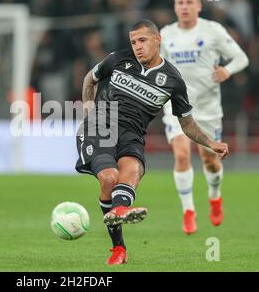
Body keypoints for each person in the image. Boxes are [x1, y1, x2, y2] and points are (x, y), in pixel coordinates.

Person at [75, 19, 229, 265]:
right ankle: (119, 233)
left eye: (142, 40)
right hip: (100, 127)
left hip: (132, 135)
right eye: (133, 41)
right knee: (109, 178)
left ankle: (119, 234)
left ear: (157, 40)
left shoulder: (172, 80)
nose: (137, 46)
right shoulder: (118, 60)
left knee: (132, 172)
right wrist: (87, 105)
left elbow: (186, 123)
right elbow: (89, 79)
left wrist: (211, 143)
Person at [160, 0, 249, 235]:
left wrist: (227, 71)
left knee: (209, 160)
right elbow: (159, 68)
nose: (185, 7)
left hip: (207, 109)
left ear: (199, 6)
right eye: (180, 3)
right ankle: (188, 211)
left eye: (189, 2)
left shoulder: (212, 30)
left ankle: (215, 195)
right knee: (181, 155)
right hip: (176, 107)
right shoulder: (165, 35)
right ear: (175, 7)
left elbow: (242, 58)